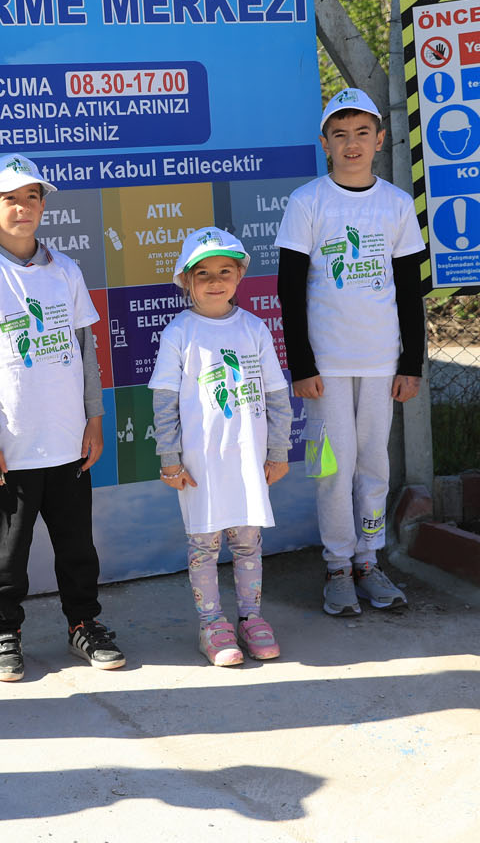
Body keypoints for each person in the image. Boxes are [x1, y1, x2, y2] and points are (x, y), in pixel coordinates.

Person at [0, 152, 122, 681]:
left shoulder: (65, 270)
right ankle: (4, 632)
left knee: (77, 547)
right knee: (8, 553)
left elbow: (86, 349)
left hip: (68, 442)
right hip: (12, 449)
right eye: (9, 199)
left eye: (32, 197)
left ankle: (83, 623)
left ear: (43, 206)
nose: (22, 207)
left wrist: (94, 418)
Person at [274, 88, 427, 616]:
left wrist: (411, 363)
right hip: (327, 366)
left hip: (381, 361)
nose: (352, 143)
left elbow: (409, 291)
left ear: (380, 139)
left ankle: (369, 559)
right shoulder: (308, 201)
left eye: (362, 132)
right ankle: (338, 565)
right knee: (333, 468)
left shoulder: (397, 204)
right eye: (340, 134)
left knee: (374, 464)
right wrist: (302, 364)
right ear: (325, 144)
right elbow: (289, 289)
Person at [149, 227, 292, 664]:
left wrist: (278, 451)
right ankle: (212, 625)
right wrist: (170, 459)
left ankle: (251, 618)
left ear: (240, 275)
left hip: (248, 463)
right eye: (204, 273)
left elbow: (276, 395)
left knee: (248, 545)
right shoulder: (180, 333)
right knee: (204, 549)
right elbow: (164, 401)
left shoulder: (254, 328)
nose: (215, 281)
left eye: (225, 271)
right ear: (185, 280)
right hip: (200, 468)